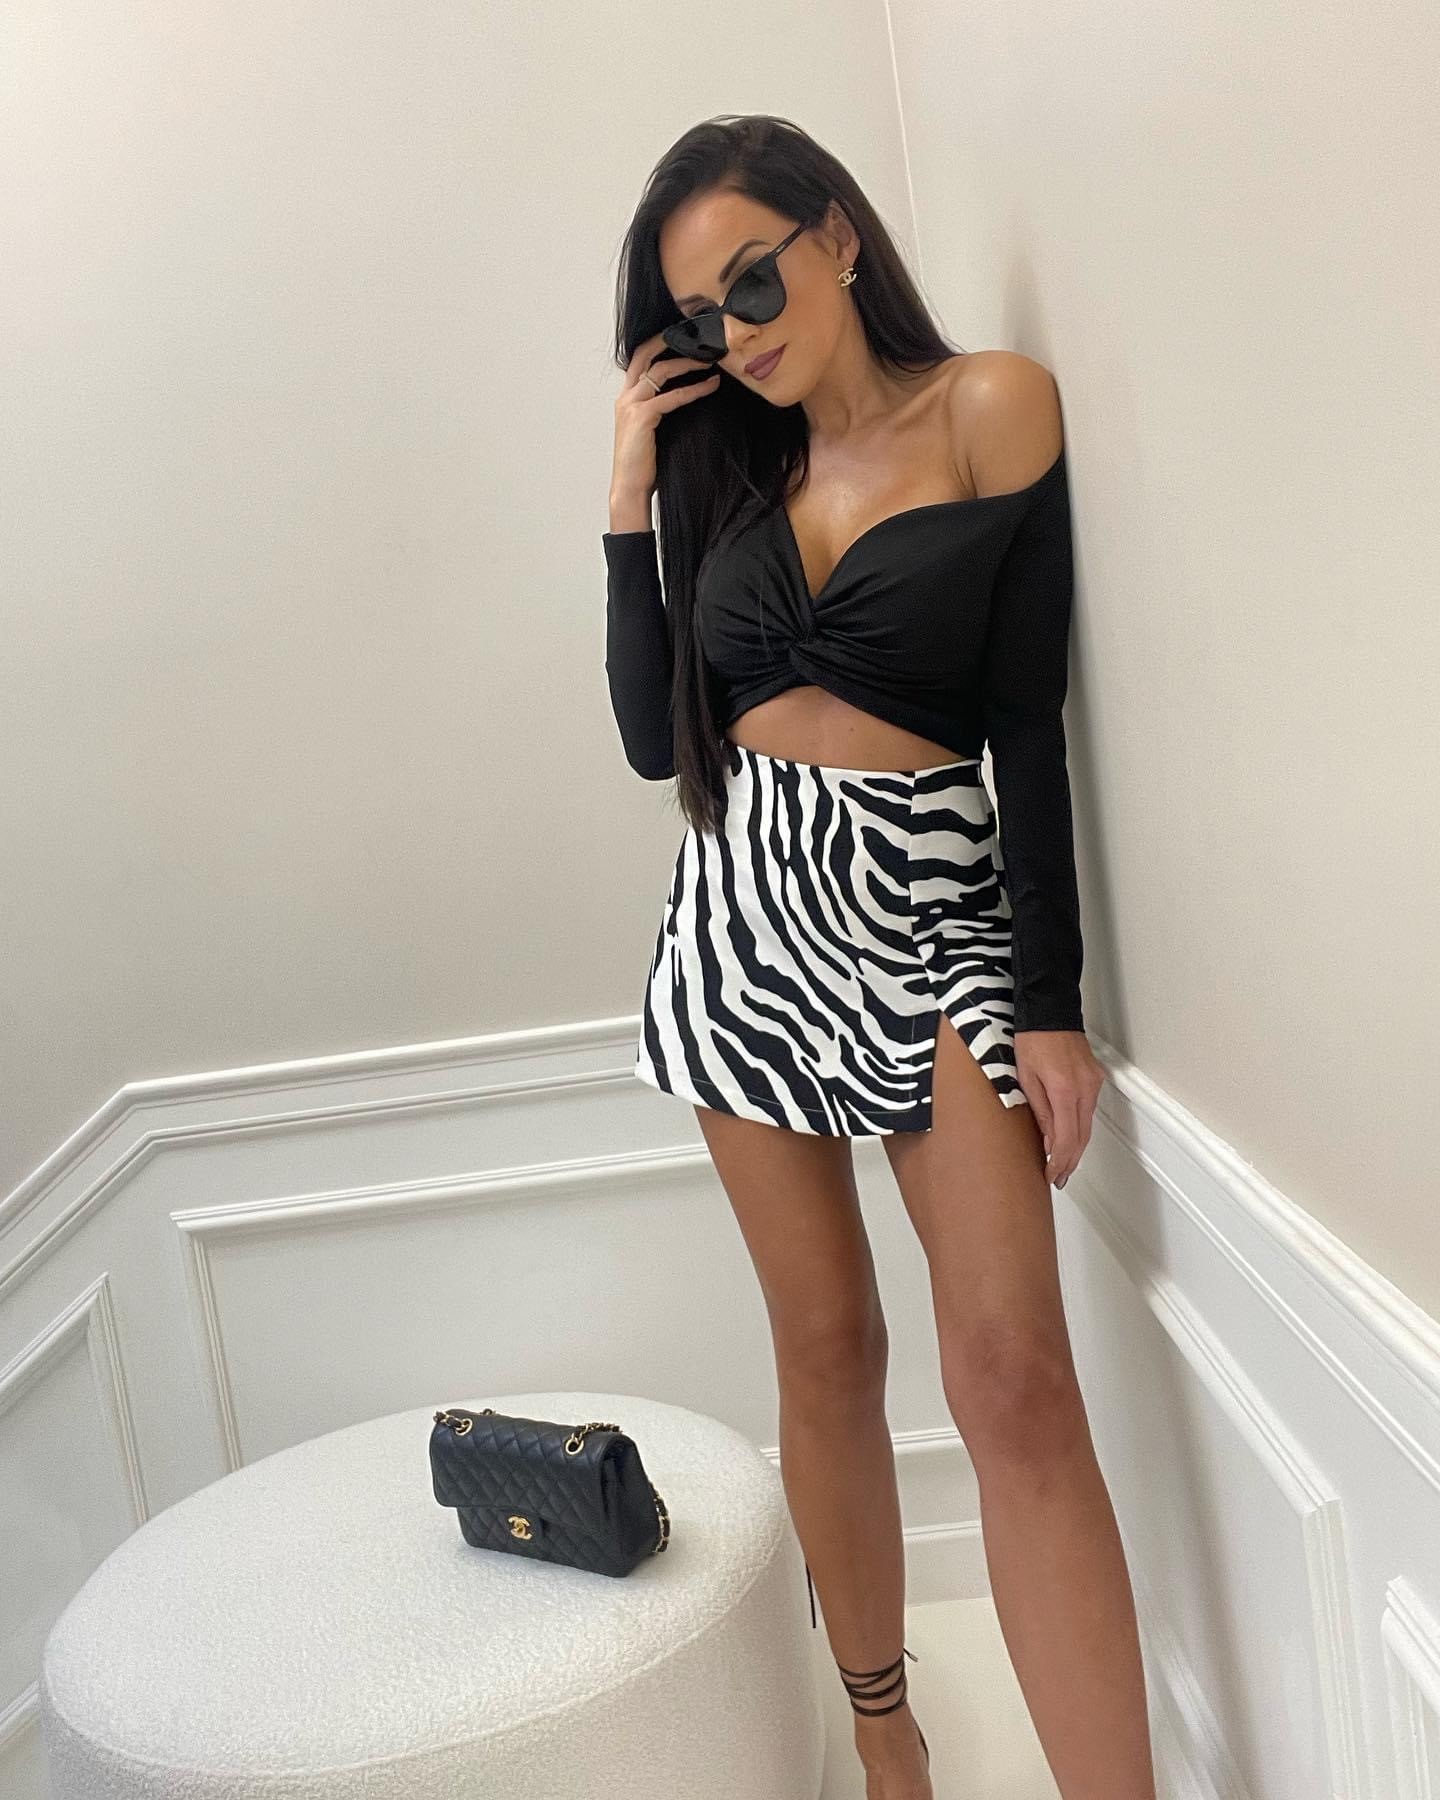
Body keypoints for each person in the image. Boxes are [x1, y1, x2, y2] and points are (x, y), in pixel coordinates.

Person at [602, 115, 1152, 1800]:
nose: (736, 333)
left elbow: (1025, 722)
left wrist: (1046, 1003)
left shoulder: (989, 406)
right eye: (701, 318)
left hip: (930, 906)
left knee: (1016, 1383)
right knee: (828, 1348)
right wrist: (627, 488)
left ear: (836, 235)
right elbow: (655, 738)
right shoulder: (728, 472)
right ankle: (885, 1737)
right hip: (743, 915)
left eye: (753, 281)